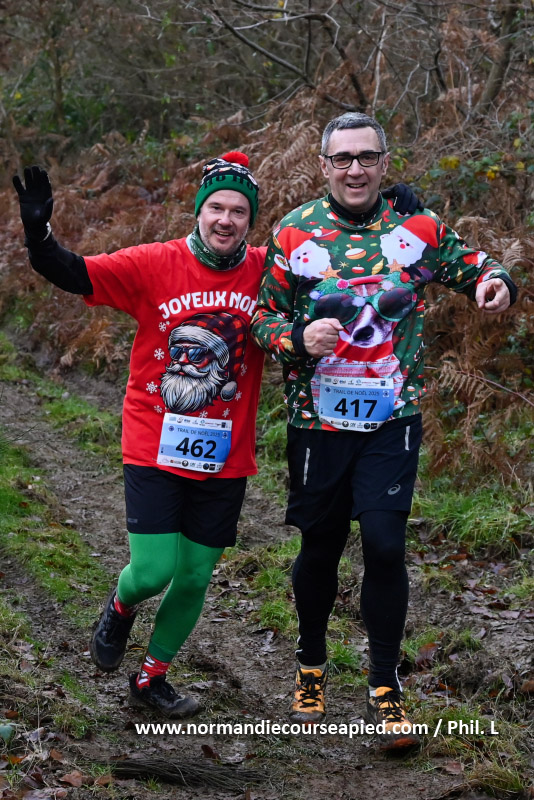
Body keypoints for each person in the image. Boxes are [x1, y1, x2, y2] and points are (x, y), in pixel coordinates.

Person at [12, 152, 419, 720]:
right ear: (199, 212)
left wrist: (389, 213)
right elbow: (73, 272)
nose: (226, 220)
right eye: (216, 208)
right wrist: (39, 233)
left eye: (238, 211)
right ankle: (122, 605)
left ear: (250, 221)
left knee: (195, 575)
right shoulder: (155, 262)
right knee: (153, 571)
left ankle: (151, 678)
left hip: (225, 453)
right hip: (154, 440)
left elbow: (345, 262)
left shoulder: (267, 268)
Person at [250, 112, 517, 750]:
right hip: (317, 421)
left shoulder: (417, 230)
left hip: (391, 419)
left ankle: (384, 686)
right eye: (342, 158)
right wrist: (296, 337)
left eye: (366, 157)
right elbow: (261, 317)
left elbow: (477, 265)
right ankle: (310, 665)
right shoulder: (294, 232)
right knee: (320, 548)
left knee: (385, 544)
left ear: (384, 163)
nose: (355, 169)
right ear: (324, 166)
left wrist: (497, 283)